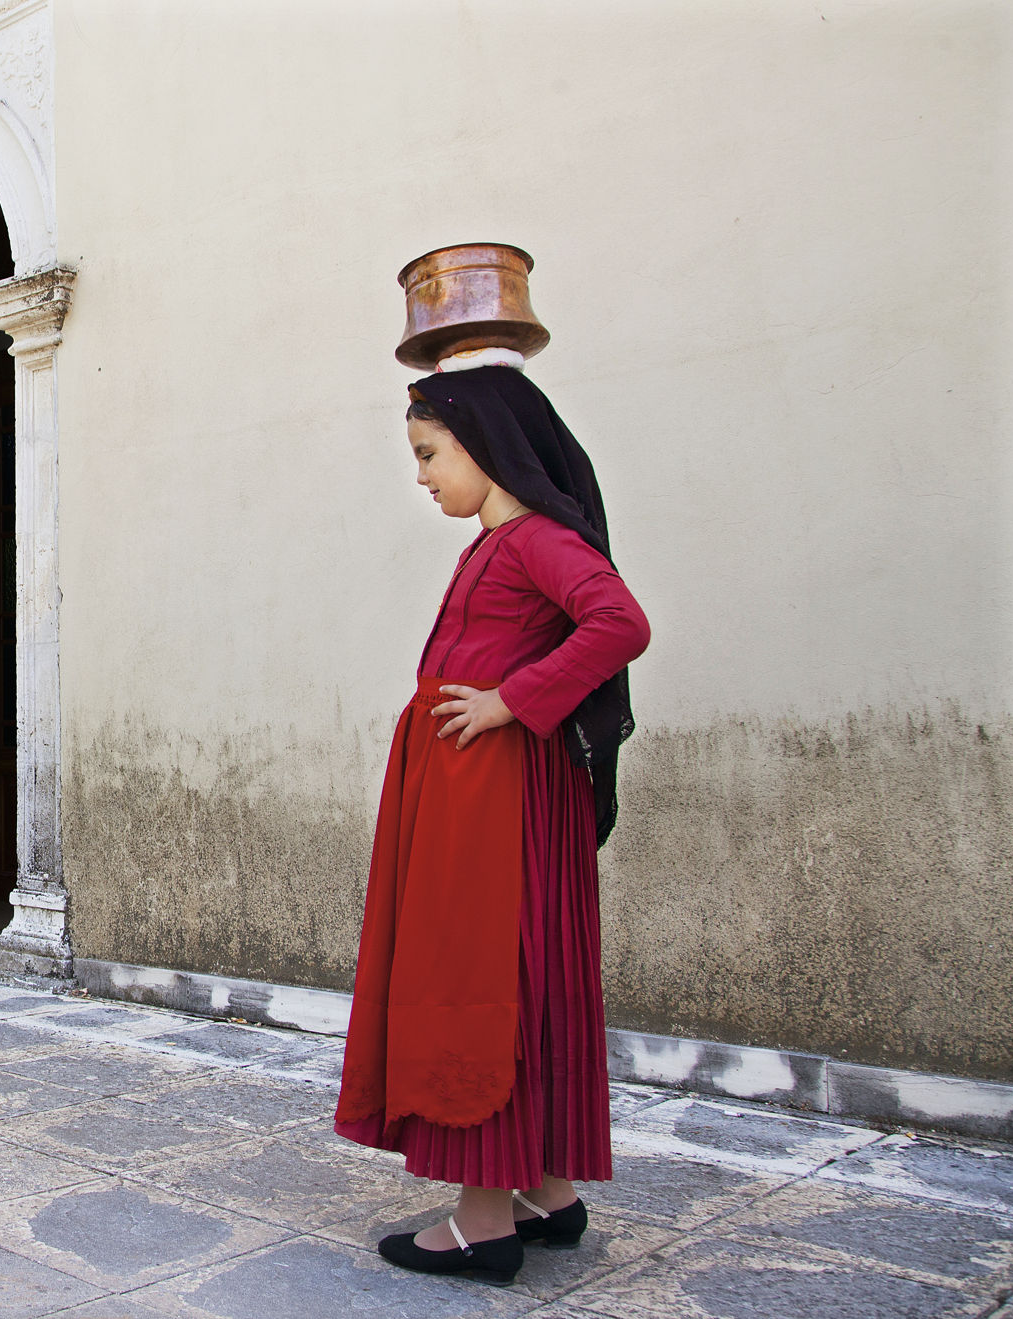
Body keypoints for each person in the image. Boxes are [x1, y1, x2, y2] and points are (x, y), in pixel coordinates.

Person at [334, 365, 650, 1287]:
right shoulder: (497, 543)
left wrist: (515, 699)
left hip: (496, 801)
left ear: (485, 446)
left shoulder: (534, 540)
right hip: (478, 793)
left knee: (476, 975)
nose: (424, 475)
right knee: (518, 970)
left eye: (431, 455)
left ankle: (482, 1220)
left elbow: (619, 622)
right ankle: (547, 1194)